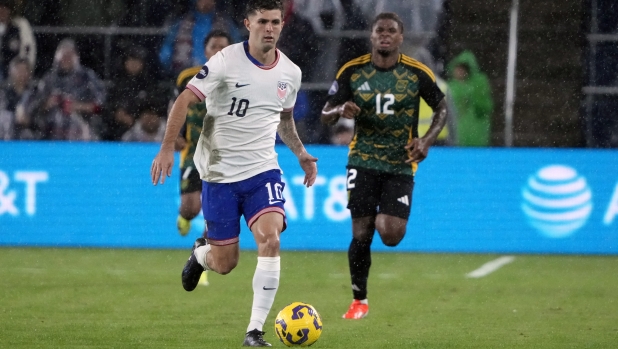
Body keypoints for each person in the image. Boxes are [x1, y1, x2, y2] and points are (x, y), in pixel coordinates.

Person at [151, 0, 318, 346]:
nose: (269, 28)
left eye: (275, 22)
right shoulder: (226, 61)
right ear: (248, 23)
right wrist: (167, 147)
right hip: (219, 174)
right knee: (225, 263)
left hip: (262, 171)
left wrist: (300, 152)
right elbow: (184, 100)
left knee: (271, 240)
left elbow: (284, 120)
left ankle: (254, 332)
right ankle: (201, 254)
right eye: (262, 22)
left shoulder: (291, 73)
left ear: (282, 26)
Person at [321, 12, 448, 320]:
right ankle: (358, 300)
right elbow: (325, 113)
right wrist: (340, 108)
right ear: (372, 36)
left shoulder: (416, 73)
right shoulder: (353, 71)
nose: (385, 35)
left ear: (400, 37)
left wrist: (427, 139)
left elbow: (441, 106)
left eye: (392, 30)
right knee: (361, 232)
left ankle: (382, 210)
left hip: (400, 161)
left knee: (391, 234)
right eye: (380, 30)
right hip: (362, 159)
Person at [174, 29, 232, 288]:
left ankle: (204, 258)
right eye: (214, 46)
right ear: (205, 50)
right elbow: (176, 104)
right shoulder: (189, 77)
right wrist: (173, 134)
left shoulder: (238, 80)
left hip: (223, 158)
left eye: (224, 47)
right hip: (192, 153)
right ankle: (184, 217)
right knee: (191, 207)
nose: (219, 51)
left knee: (214, 213)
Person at [21, 39, 106, 140]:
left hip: (81, 128)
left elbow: (101, 106)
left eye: (69, 55)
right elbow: (34, 108)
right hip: (51, 130)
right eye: (63, 55)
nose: (66, 59)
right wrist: (47, 104)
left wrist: (78, 106)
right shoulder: (49, 79)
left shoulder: (87, 77)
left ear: (76, 57)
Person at [158, 0, 241, 77]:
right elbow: (165, 54)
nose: (205, 1)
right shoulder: (181, 24)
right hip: (186, 76)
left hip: (219, 76)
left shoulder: (226, 24)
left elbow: (239, 50)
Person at [446, 50, 493, 146]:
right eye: (458, 68)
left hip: (476, 137)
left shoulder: (479, 85)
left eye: (464, 68)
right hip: (455, 137)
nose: (460, 71)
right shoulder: (448, 87)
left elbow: (484, 107)